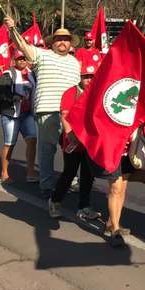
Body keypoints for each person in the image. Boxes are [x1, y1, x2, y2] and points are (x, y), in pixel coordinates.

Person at [4, 16, 81, 198]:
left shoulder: (76, 63)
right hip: (48, 109)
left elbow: (79, 88)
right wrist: (12, 29)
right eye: (59, 39)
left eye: (66, 39)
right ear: (53, 42)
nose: (62, 42)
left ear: (70, 44)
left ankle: (73, 181)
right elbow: (22, 46)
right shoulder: (41, 55)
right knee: (47, 149)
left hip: (72, 113)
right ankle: (46, 185)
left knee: (73, 149)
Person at [49, 62, 99, 221]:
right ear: (80, 77)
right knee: (69, 173)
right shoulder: (71, 92)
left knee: (88, 174)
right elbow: (65, 116)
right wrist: (70, 134)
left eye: (92, 77)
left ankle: (84, 206)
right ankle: (55, 201)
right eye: (86, 77)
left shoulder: (97, 93)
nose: (89, 80)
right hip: (72, 141)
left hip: (89, 142)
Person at [0, 49, 37, 183]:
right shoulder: (8, 74)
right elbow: (1, 94)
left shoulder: (32, 74)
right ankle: (4, 173)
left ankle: (30, 172)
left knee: (32, 140)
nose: (22, 61)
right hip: (11, 114)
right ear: (14, 60)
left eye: (24, 58)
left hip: (27, 114)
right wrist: (16, 98)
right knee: (9, 144)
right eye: (19, 59)